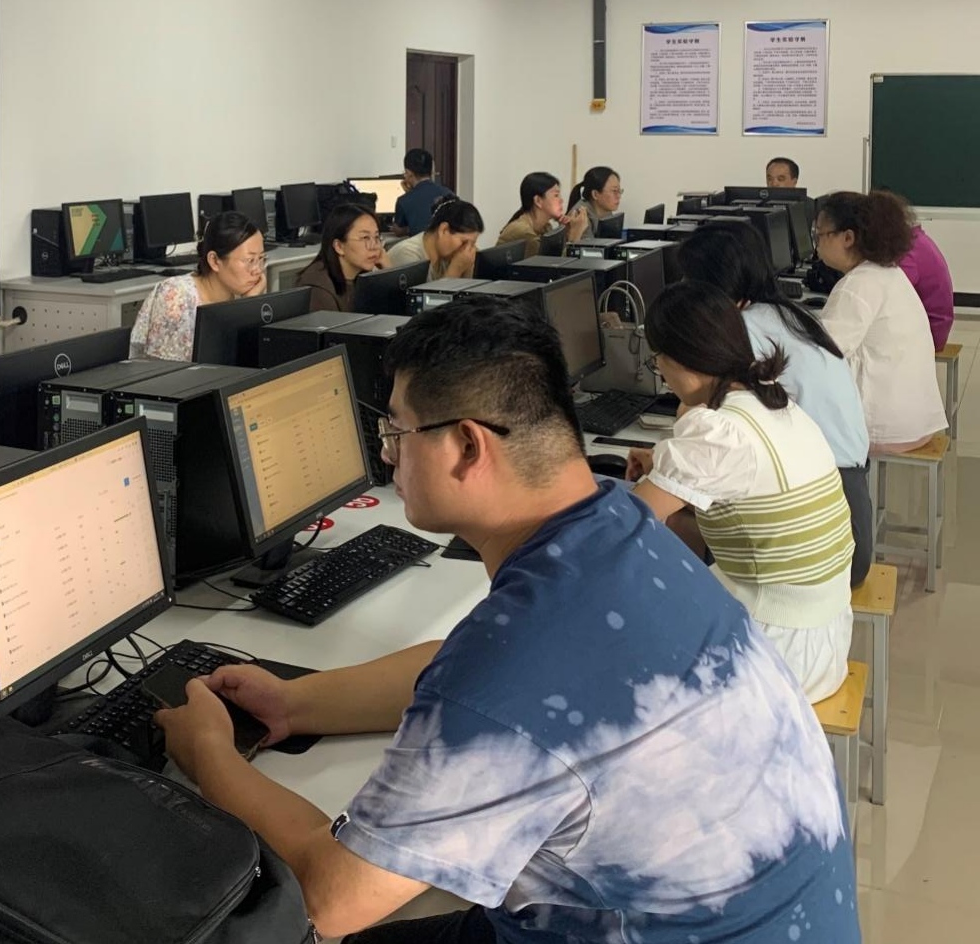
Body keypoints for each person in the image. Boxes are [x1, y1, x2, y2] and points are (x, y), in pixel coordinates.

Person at [155, 295, 859, 944]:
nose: (388, 453)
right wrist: (293, 703)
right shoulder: (619, 525)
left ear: (467, 446)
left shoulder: (517, 658)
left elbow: (333, 898)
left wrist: (209, 753)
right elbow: (479, 674)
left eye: (396, 431)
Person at [627, 281, 854, 702]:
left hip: (777, 652)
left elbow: (627, 525)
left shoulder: (718, 430)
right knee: (680, 535)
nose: (661, 373)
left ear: (682, 359)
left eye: (658, 360)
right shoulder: (774, 403)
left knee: (621, 642)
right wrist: (665, 464)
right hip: (823, 631)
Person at [677, 221, 873, 587]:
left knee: (677, 515)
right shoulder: (790, 315)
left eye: (689, 279)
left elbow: (706, 425)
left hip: (827, 538)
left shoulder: (745, 332)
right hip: (847, 505)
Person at [814, 191, 948, 452]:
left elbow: (821, 356)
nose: (817, 243)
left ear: (848, 238)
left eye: (820, 234)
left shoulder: (857, 286)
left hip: (886, 428)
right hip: (915, 420)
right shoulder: (887, 272)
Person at [129, 211, 266, 361]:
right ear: (214, 261)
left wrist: (248, 306)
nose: (257, 270)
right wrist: (246, 308)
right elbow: (163, 370)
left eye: (261, 259)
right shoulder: (176, 296)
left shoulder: (236, 296)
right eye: (249, 260)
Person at [296, 204, 389, 312]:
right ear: (339, 246)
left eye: (376, 237)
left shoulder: (362, 279)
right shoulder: (319, 289)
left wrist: (389, 272)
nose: (374, 246)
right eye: (365, 238)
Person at [897, 197, 955, 351]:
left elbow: (894, 289)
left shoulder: (909, 249)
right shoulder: (916, 239)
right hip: (935, 324)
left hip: (930, 332)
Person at [495, 171, 590, 258]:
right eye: (556, 195)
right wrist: (575, 236)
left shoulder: (546, 227)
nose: (561, 200)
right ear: (538, 201)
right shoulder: (524, 232)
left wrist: (565, 233)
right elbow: (553, 266)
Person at [386, 197, 483, 282]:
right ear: (444, 230)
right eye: (464, 242)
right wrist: (456, 268)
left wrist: (468, 267)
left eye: (472, 243)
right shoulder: (408, 255)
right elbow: (425, 297)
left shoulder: (447, 254)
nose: (467, 249)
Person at [392, 148, 452, 237]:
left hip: (421, 245)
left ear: (409, 173)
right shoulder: (449, 194)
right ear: (431, 171)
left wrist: (409, 194)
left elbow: (398, 231)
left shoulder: (404, 200)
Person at [566, 166, 622, 240]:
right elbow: (587, 246)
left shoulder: (606, 210)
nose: (619, 196)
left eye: (619, 191)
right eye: (614, 191)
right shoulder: (580, 215)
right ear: (595, 194)